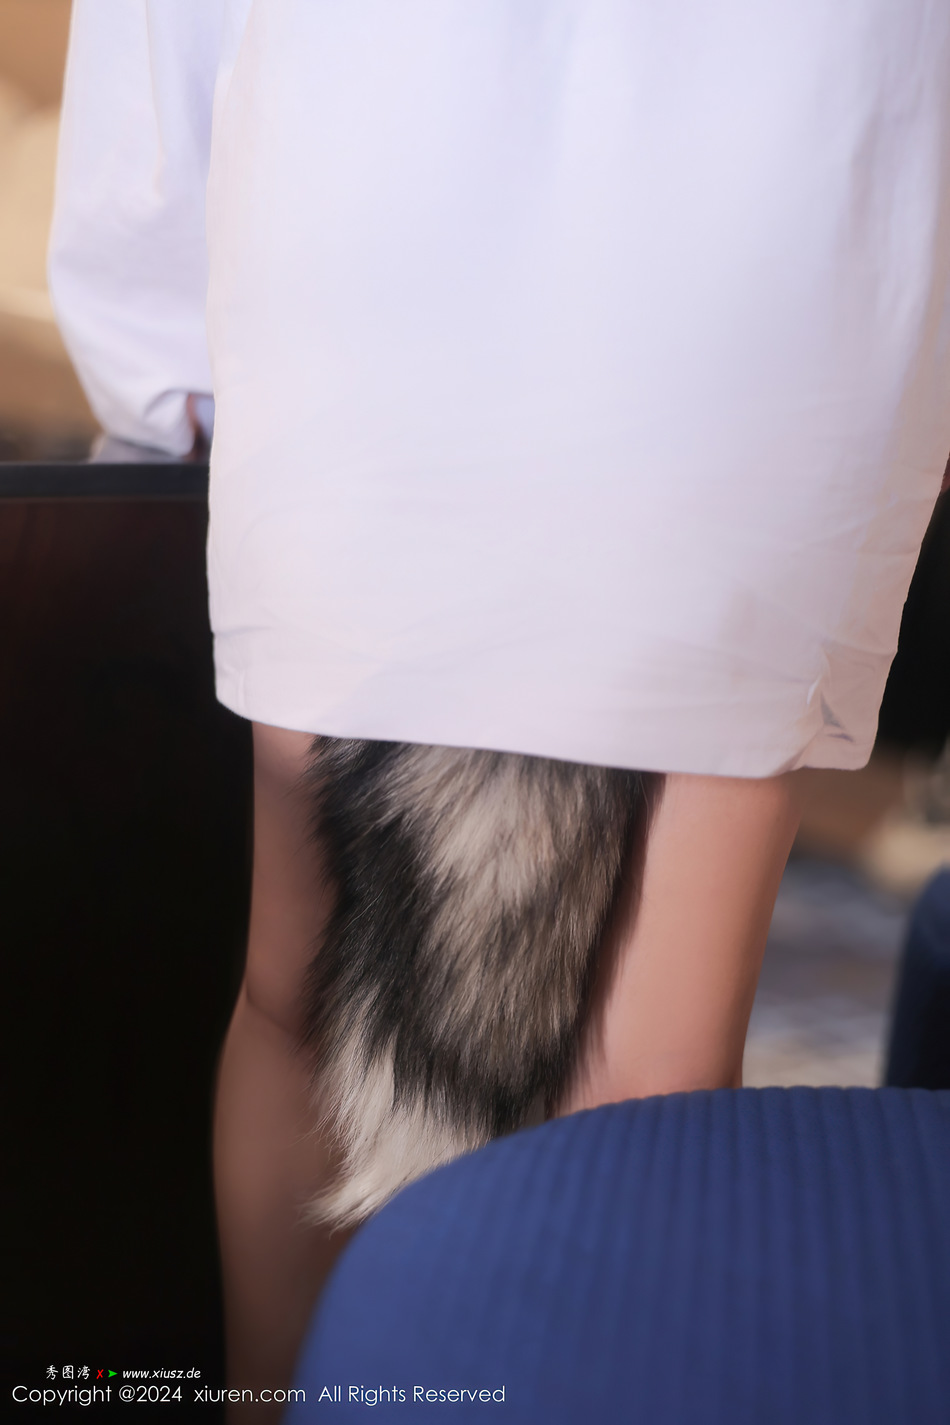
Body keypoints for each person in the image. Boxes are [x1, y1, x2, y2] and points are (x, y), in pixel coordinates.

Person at [48, 1, 950, 1416]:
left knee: (303, 1003)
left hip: (382, 172)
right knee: (641, 1072)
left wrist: (149, 333)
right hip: (775, 208)